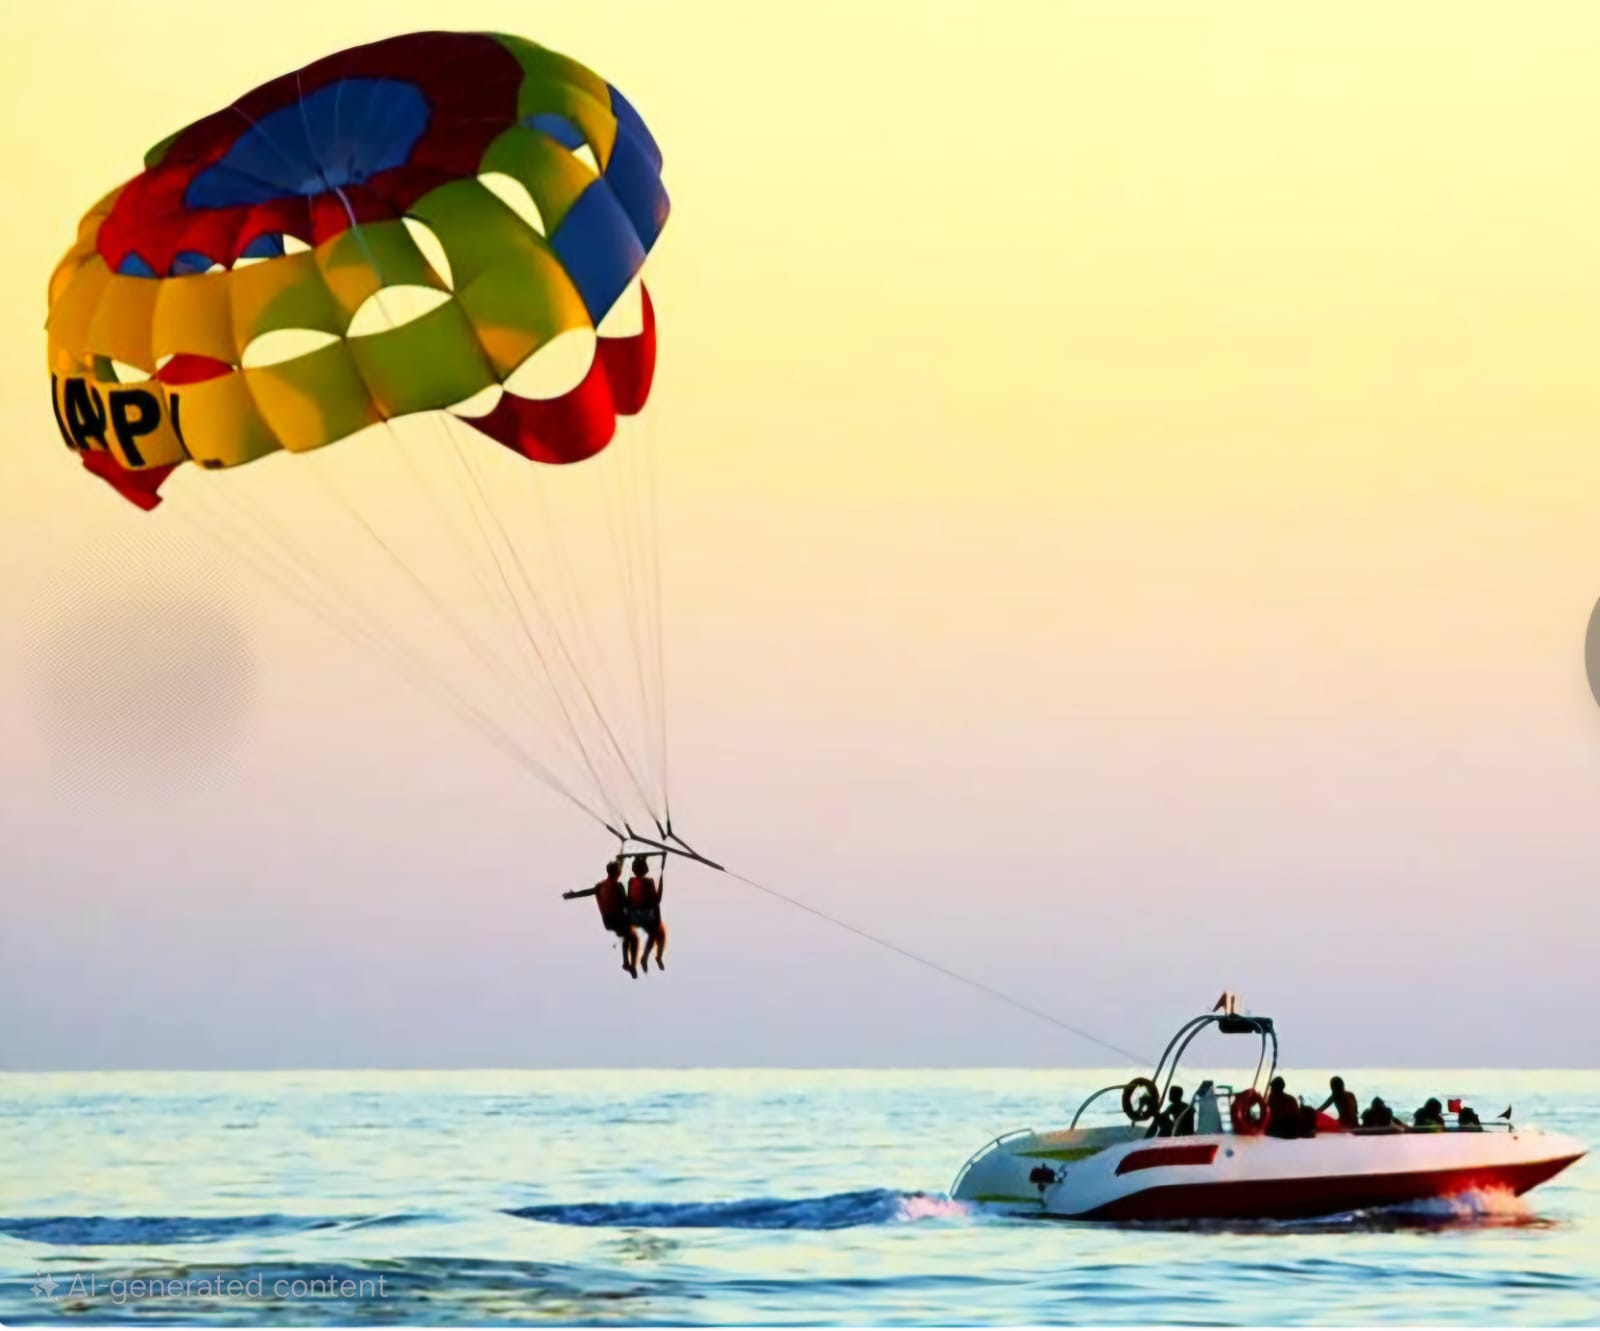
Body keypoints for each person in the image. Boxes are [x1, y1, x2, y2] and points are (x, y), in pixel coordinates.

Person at [563, 860, 638, 977]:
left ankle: (627, 963)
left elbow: (587, 892)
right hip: (617, 918)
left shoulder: (600, 885)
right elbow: (626, 903)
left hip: (608, 921)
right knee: (632, 937)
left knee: (627, 935)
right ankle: (629, 964)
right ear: (618, 872)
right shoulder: (618, 886)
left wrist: (573, 895)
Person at [627, 854, 667, 973]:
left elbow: (630, 897)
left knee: (658, 932)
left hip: (633, 915)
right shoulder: (648, 882)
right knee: (658, 933)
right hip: (644, 915)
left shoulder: (631, 881)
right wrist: (661, 883)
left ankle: (653, 957)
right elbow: (656, 900)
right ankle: (649, 957)